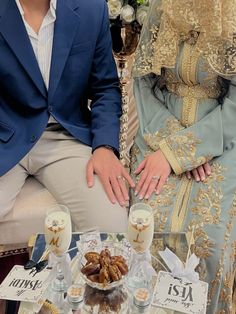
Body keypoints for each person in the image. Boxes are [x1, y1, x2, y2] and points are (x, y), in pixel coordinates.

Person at [130, 0, 236, 312]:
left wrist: (188, 150)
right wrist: (170, 149)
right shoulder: (162, 7)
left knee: (209, 242)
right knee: (145, 228)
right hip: (157, 127)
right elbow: (143, 80)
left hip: (221, 135)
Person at [0, 0, 134, 235]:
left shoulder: (91, 8)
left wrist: (104, 146)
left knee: (113, 229)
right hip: (5, 137)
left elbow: (105, 87)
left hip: (66, 136)